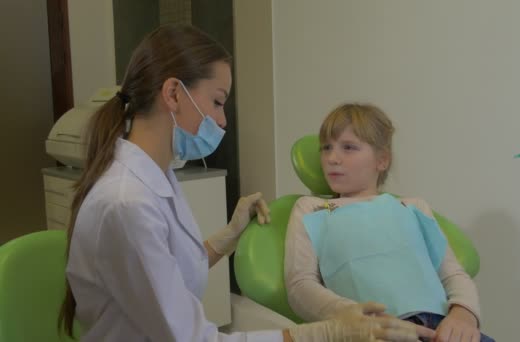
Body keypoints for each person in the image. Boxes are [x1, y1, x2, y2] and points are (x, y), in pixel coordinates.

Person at [56, 24, 432, 342]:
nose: (222, 122)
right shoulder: (126, 203)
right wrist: (322, 332)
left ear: (382, 160)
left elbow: (168, 273)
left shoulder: (157, 178)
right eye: (218, 102)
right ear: (173, 93)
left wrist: (226, 237)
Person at [284, 103, 495, 342]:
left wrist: (464, 313)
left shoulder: (413, 207)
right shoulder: (312, 209)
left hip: (441, 328)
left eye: (349, 148)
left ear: (382, 160)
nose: (332, 158)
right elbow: (300, 285)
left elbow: (452, 274)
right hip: (372, 332)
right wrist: (352, 316)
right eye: (326, 148)